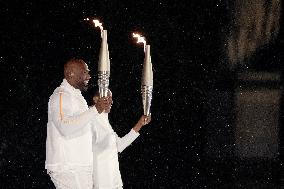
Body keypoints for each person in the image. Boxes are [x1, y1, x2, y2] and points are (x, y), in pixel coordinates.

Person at [45, 58, 108, 189]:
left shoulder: (78, 97)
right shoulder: (61, 96)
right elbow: (65, 127)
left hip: (80, 166)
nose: (89, 76)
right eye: (85, 72)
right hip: (68, 166)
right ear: (70, 74)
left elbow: (82, 125)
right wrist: (95, 109)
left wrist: (99, 111)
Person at [91, 90, 151, 189]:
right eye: (107, 98)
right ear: (96, 99)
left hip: (113, 180)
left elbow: (119, 146)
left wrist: (140, 123)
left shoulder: (104, 121)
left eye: (111, 99)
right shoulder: (90, 119)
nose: (111, 101)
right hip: (101, 181)